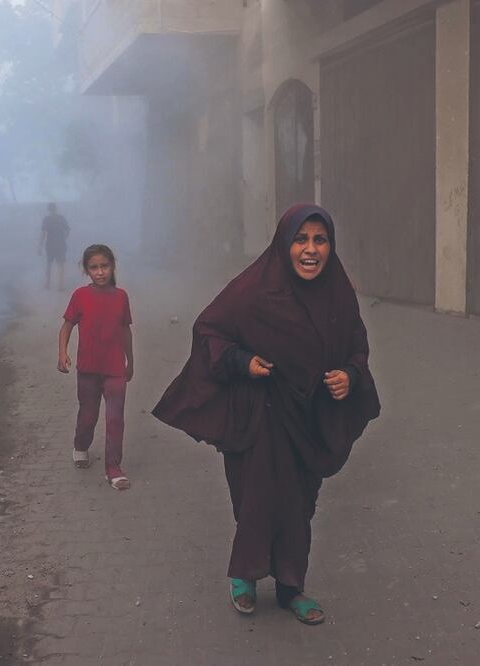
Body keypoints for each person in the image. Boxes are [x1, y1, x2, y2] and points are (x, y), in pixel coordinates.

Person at [152, 204, 380, 623]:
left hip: (310, 419)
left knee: (299, 507)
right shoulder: (254, 288)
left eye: (320, 239)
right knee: (255, 499)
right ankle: (245, 574)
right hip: (257, 416)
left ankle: (292, 587)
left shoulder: (338, 293)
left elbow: (356, 347)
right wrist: (243, 362)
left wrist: (350, 375)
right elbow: (209, 330)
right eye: (300, 239)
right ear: (283, 243)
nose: (310, 250)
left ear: (330, 245)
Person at [57, 245, 135, 491]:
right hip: (89, 369)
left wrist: (130, 361)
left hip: (114, 369)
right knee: (88, 415)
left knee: (115, 419)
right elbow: (67, 326)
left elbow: (125, 330)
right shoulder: (80, 296)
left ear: (112, 267)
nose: (100, 272)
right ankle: (81, 446)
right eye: (94, 267)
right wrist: (62, 353)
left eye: (105, 266)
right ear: (86, 270)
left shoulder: (121, 296)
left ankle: (113, 469)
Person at [39, 202, 71, 290]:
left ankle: (48, 284)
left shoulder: (46, 219)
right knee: (61, 264)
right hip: (61, 244)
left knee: (49, 264)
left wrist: (40, 246)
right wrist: (64, 238)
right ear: (56, 209)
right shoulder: (61, 218)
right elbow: (67, 230)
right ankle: (60, 286)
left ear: (48, 209)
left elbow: (43, 234)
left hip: (50, 244)